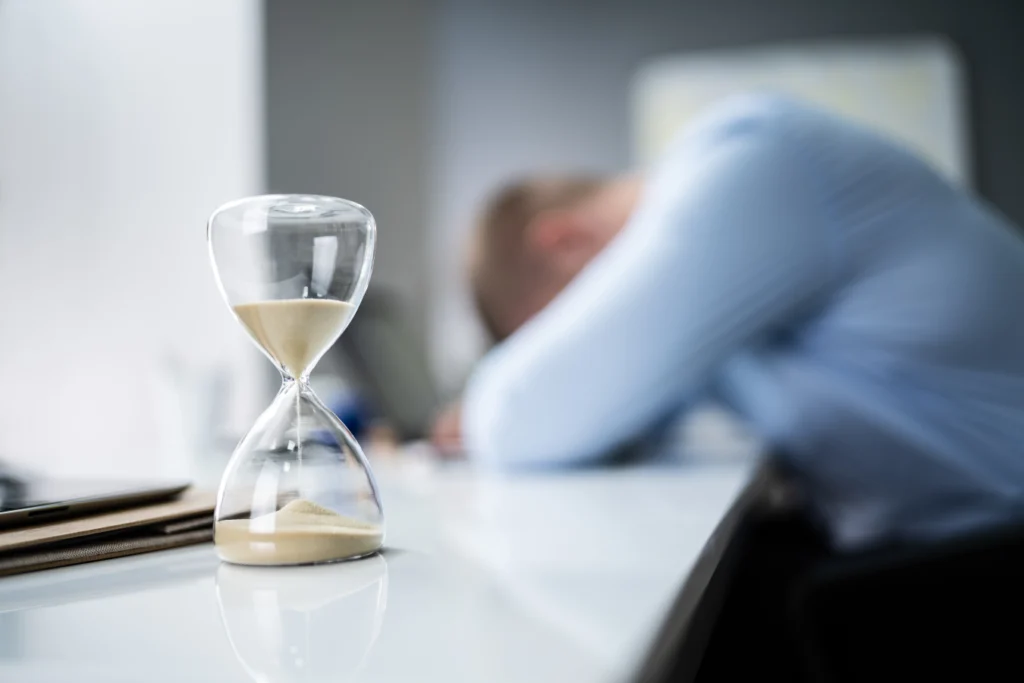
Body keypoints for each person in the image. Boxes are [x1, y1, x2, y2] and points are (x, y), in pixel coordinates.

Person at [437, 94, 1024, 549]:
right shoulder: (731, 296)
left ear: (563, 239)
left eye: (558, 328)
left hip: (986, 553)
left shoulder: (753, 158)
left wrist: (486, 405)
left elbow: (522, 422)